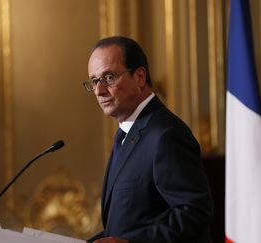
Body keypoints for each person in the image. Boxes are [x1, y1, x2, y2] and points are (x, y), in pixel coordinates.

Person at [83, 36, 214, 243]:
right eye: (94, 81)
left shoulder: (166, 134)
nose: (99, 91)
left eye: (108, 77)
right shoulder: (126, 134)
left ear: (140, 77)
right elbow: (126, 225)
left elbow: (194, 213)